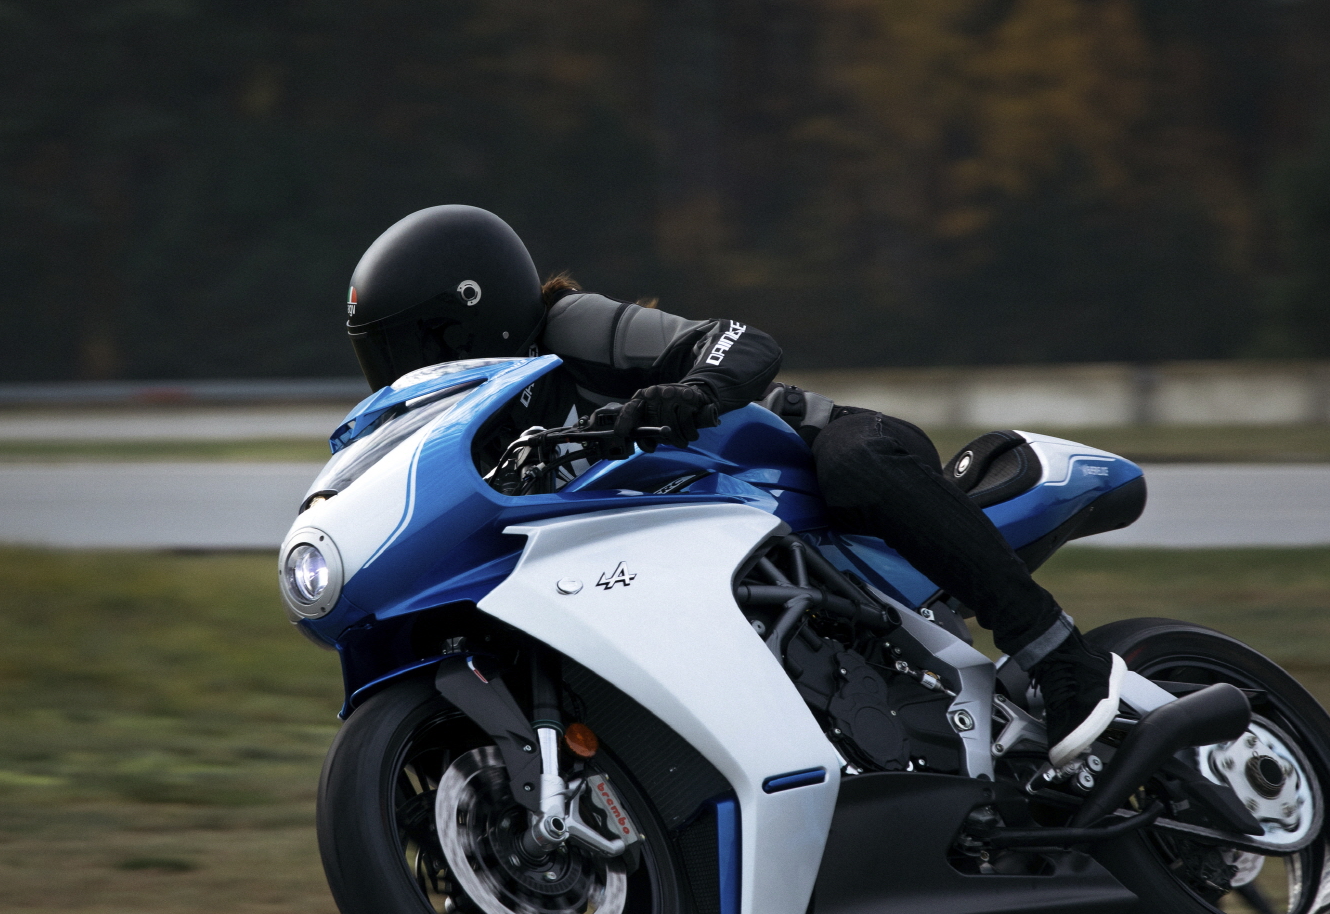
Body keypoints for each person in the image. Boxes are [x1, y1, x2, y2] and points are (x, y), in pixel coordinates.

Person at [340, 203, 1124, 767]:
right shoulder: (481, 434)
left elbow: (738, 341)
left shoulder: (567, 330)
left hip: (810, 462)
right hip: (681, 551)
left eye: (415, 346)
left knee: (853, 457)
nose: (406, 373)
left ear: (473, 315)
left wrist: (690, 390)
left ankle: (1059, 654)